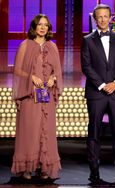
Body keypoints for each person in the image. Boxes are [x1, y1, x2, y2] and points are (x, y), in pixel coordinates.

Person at [80, 4, 115, 182]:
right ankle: (94, 169)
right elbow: (86, 66)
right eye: (99, 17)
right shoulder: (87, 40)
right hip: (97, 93)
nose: (103, 19)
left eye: (105, 16)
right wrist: (103, 85)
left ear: (110, 18)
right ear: (95, 19)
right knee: (94, 132)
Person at [11, 14, 63, 180]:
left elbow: (58, 71)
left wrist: (53, 79)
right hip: (29, 95)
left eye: (46, 25)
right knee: (30, 131)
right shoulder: (25, 45)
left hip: (46, 96)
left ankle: (44, 168)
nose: (43, 28)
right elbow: (17, 70)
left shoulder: (52, 47)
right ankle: (27, 167)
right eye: (40, 25)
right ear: (34, 27)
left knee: (46, 131)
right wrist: (31, 78)